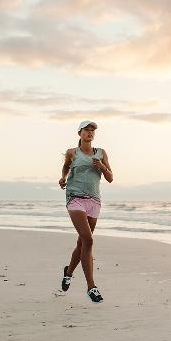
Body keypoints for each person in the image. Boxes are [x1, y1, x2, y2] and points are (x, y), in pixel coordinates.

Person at [59, 120, 113, 303]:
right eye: (87, 130)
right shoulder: (72, 153)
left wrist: (102, 167)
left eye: (92, 131)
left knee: (82, 243)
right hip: (75, 198)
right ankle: (91, 287)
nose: (90, 133)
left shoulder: (101, 153)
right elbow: (66, 166)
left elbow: (111, 178)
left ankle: (68, 272)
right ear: (79, 133)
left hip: (94, 200)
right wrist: (63, 177)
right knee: (89, 240)